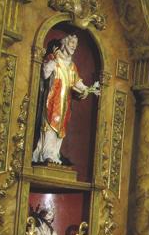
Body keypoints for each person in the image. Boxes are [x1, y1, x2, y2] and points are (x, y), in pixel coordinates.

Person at [32, 34, 100, 165]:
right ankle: (45, 154)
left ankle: (55, 154)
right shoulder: (54, 58)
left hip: (65, 103)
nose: (74, 46)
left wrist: (87, 89)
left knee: (61, 128)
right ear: (64, 44)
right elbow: (45, 73)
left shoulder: (72, 66)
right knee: (50, 126)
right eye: (71, 43)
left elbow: (76, 82)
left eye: (75, 44)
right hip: (52, 99)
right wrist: (54, 59)